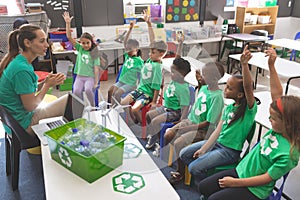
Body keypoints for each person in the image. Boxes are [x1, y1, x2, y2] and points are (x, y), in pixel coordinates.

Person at [197, 47, 300, 200]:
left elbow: (266, 178)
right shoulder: (279, 130)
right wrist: (271, 66)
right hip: (241, 171)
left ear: (288, 123)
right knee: (203, 187)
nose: (269, 120)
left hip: (254, 190)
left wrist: (234, 183)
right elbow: (277, 94)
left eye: (273, 118)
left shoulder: (289, 153)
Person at [179, 45, 258, 182]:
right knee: (184, 154)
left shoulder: (248, 110)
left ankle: (209, 187)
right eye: (226, 86)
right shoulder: (228, 108)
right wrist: (204, 148)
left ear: (240, 95)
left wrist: (244, 65)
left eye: (229, 88)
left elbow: (247, 87)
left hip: (229, 151)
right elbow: (217, 131)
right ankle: (206, 181)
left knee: (194, 168)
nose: (225, 89)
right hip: (217, 143)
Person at [0, 24, 67, 137]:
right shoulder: (21, 69)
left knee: (68, 101)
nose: (46, 45)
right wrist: (46, 86)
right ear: (28, 43)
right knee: (69, 101)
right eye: (42, 41)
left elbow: (27, 91)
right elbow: (31, 106)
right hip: (23, 126)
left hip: (17, 121)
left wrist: (45, 83)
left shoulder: (19, 61)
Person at [166, 61, 225, 184]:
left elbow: (208, 124)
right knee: (168, 134)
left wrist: (188, 129)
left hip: (203, 130)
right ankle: (178, 159)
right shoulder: (204, 87)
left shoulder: (217, 97)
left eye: (204, 75)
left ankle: (180, 172)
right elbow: (200, 89)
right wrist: (199, 79)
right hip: (190, 121)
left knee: (178, 143)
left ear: (214, 79)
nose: (201, 77)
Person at [145, 35, 191, 151]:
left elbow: (186, 106)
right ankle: (155, 136)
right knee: (149, 115)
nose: (171, 74)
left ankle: (159, 144)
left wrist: (182, 120)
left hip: (175, 112)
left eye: (173, 73)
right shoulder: (176, 78)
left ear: (182, 74)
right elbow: (178, 59)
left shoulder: (183, 88)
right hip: (166, 107)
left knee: (155, 121)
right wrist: (180, 44)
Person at [121, 9, 167, 124]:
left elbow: (156, 87)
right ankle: (133, 121)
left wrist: (154, 102)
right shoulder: (151, 61)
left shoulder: (157, 66)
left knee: (135, 109)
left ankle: (143, 127)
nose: (150, 54)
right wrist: (149, 23)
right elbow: (152, 41)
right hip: (139, 90)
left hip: (147, 94)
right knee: (122, 103)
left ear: (161, 55)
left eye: (153, 53)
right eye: (150, 52)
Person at [63, 11, 104, 107]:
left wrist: (96, 81)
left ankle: (93, 106)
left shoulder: (94, 52)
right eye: (83, 43)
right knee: (76, 91)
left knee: (89, 90)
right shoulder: (80, 48)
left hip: (90, 77)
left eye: (87, 43)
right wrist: (68, 23)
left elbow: (96, 68)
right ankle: (82, 106)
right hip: (79, 77)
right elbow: (69, 36)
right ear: (80, 43)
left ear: (91, 42)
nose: (85, 45)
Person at [107, 21, 144, 106]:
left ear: (136, 49)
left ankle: (116, 110)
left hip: (130, 84)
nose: (128, 51)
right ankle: (109, 107)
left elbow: (142, 76)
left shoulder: (139, 61)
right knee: (110, 91)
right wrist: (130, 29)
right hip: (122, 81)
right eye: (127, 49)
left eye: (130, 49)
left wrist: (140, 88)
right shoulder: (128, 56)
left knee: (117, 94)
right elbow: (125, 42)